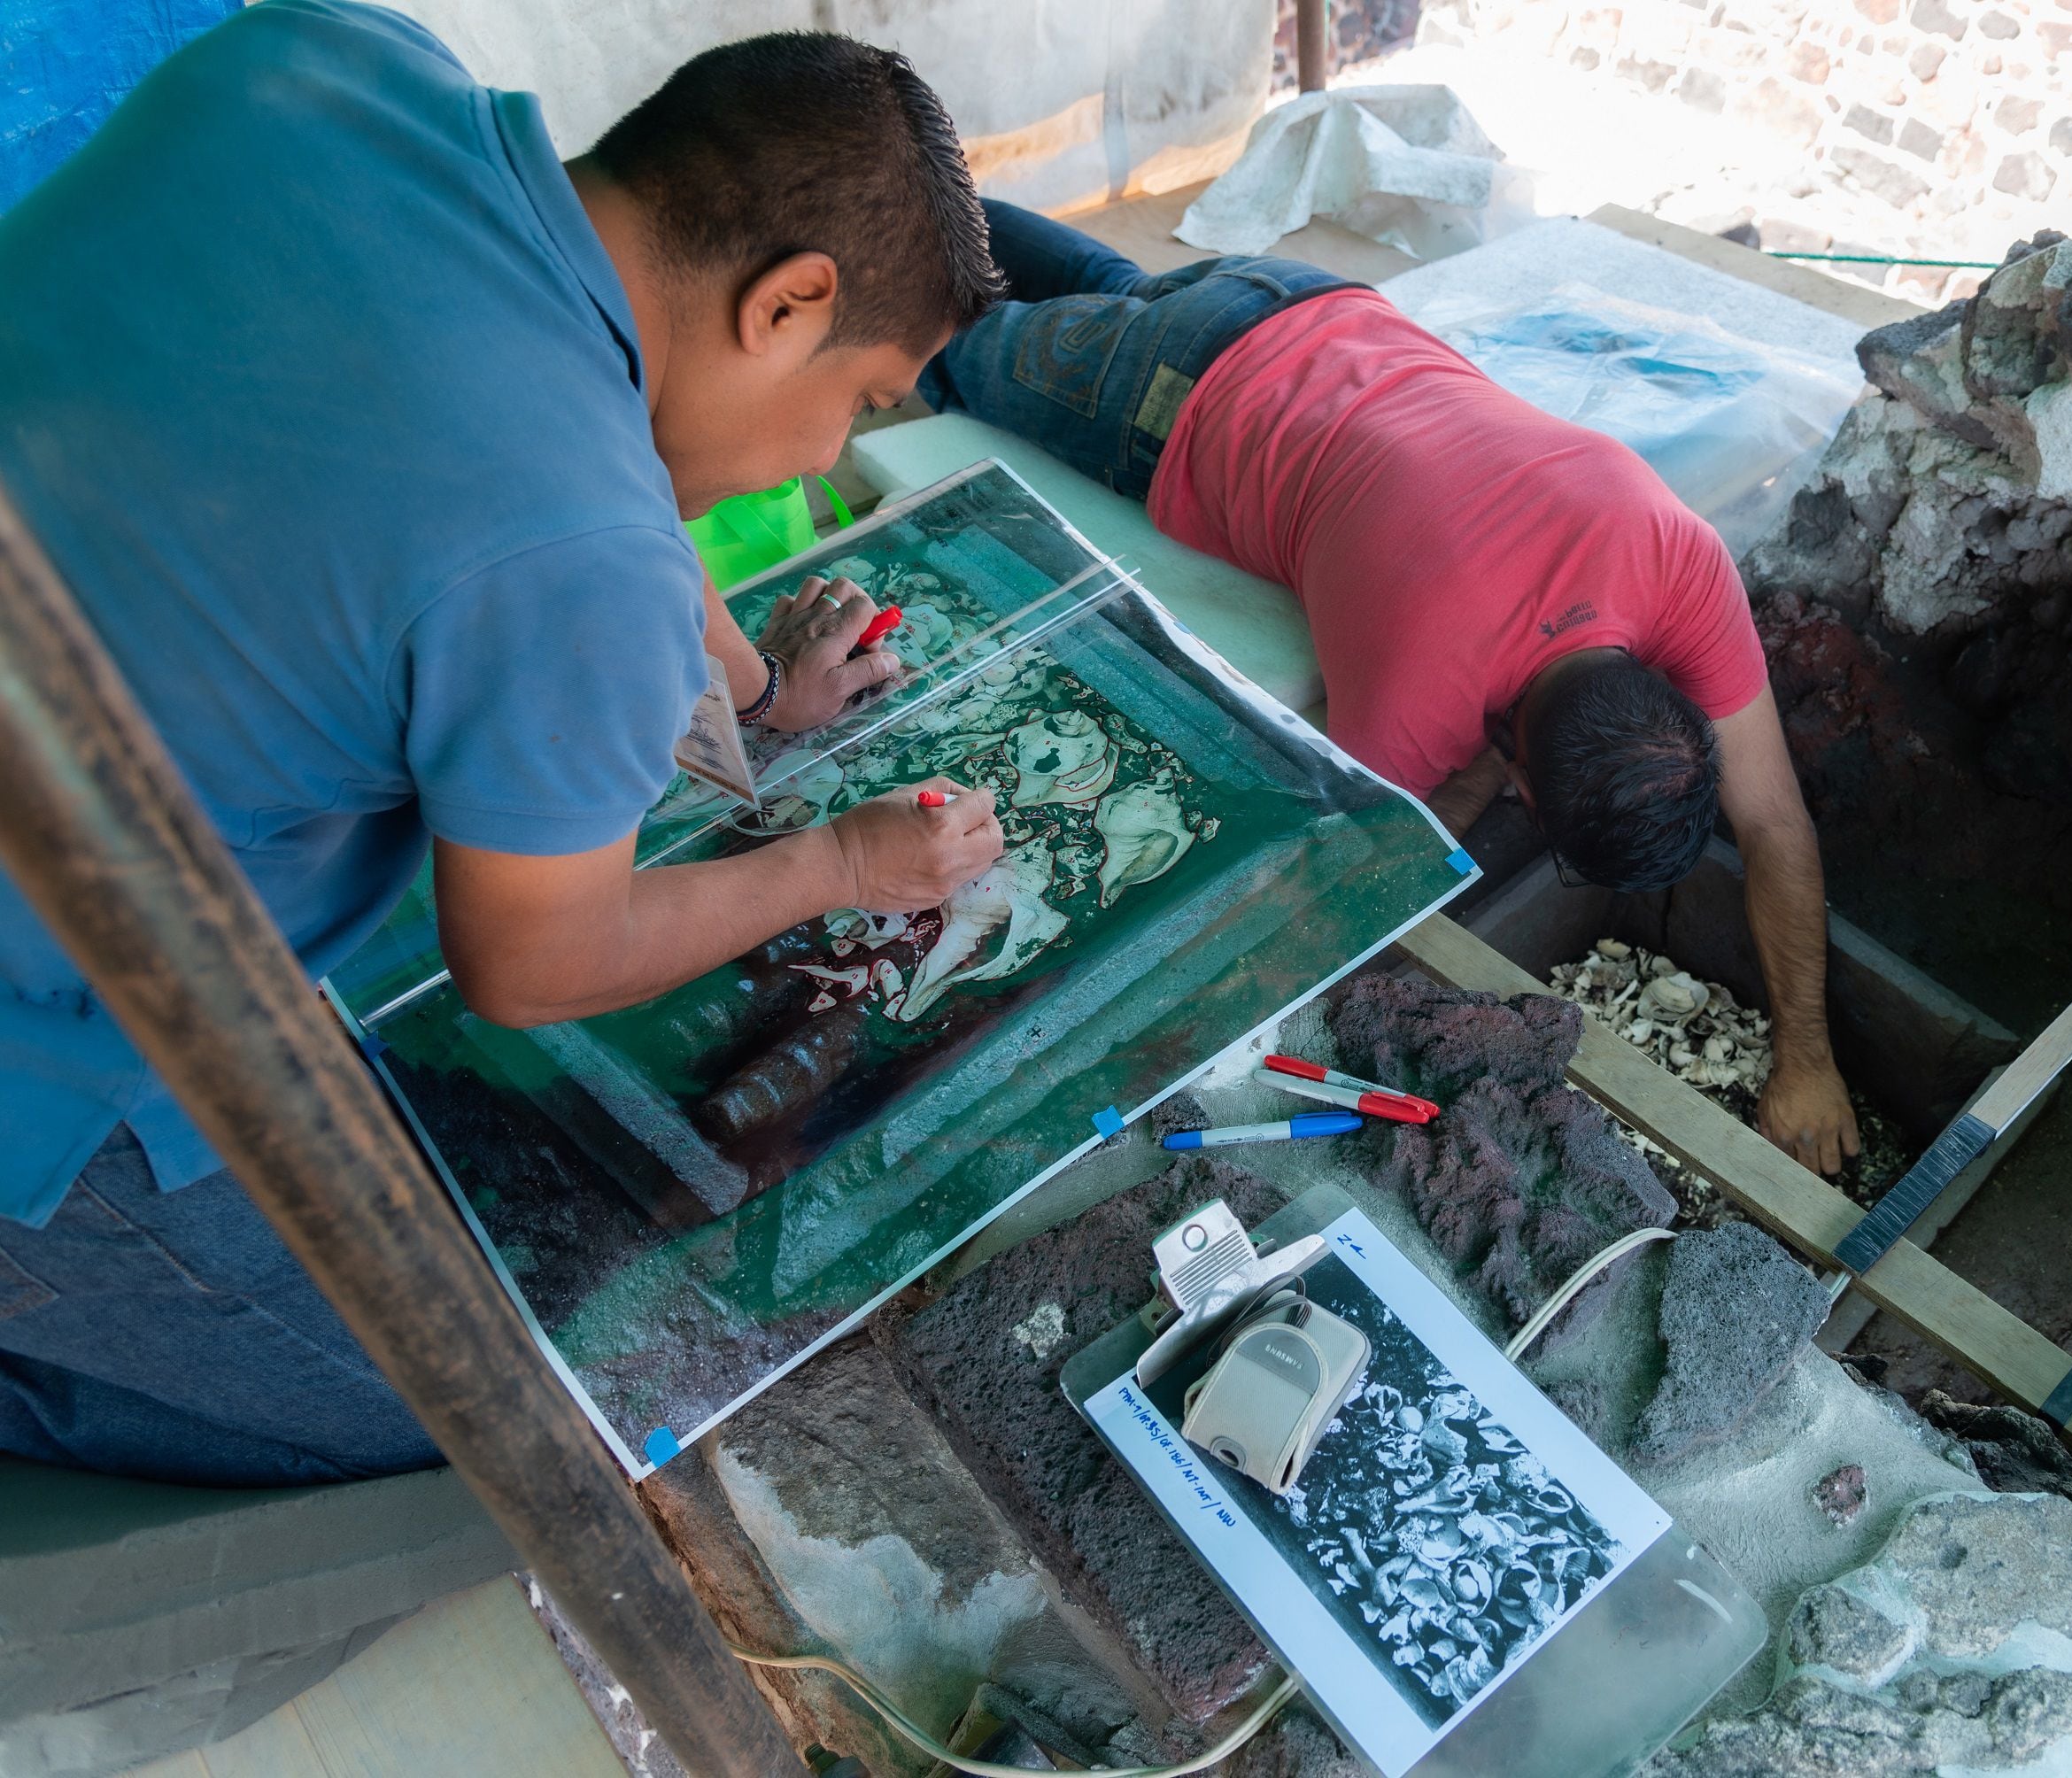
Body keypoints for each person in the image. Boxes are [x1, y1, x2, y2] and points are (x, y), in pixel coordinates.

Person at [0, 1, 1011, 1484]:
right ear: (788, 301)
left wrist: (729, 677)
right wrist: (840, 859)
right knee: (469, 1397)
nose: (821, 457)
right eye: (856, 402)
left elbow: (445, 422)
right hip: (47, 1040)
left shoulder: (329, 59)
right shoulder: (573, 557)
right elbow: (533, 962)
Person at [916, 204, 1860, 1175]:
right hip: (1168, 399)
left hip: (1305, 302)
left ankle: (931, 182)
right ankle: (881, 206)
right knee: (927, 345)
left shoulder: (1676, 557)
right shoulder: (1412, 689)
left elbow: (1772, 824)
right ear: (1523, 787)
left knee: (1109, 283)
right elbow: (1367, 867)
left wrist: (1807, 1057)